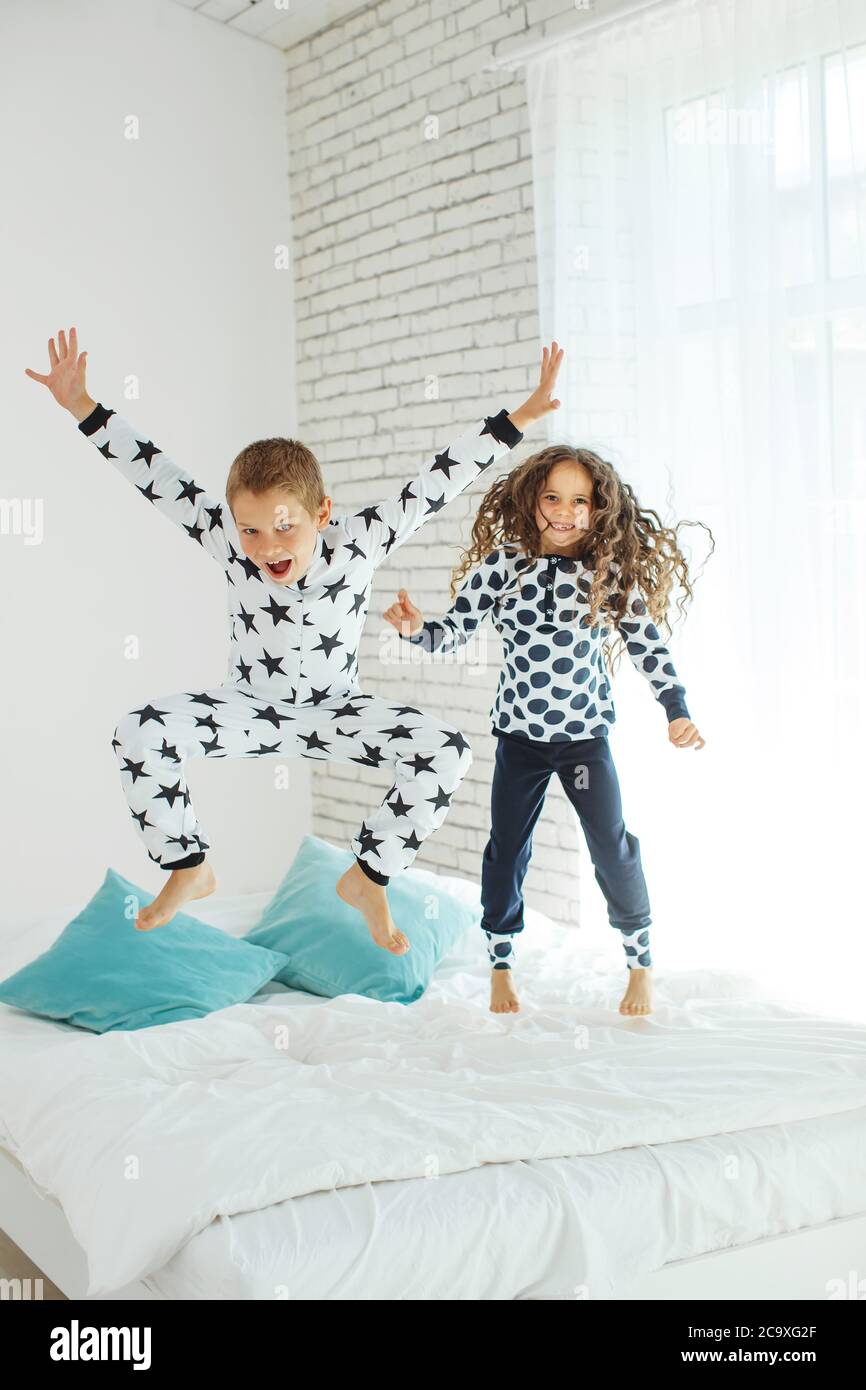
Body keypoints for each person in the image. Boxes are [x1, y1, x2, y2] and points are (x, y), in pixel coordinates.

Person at [25, 327, 564, 951]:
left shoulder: (361, 541)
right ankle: (189, 866)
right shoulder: (226, 539)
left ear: (322, 513)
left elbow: (439, 480)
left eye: (283, 527)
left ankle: (368, 876)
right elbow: (156, 474)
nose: (267, 547)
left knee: (447, 751)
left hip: (338, 710)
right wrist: (83, 409)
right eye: (250, 531)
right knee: (137, 731)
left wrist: (521, 415)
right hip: (249, 707)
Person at [384, 439, 708, 1013]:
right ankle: (501, 966)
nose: (564, 511)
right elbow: (454, 631)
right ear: (533, 499)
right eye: (553, 497)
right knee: (507, 850)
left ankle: (639, 964)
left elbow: (647, 647)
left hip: (584, 742)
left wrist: (676, 709)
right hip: (521, 741)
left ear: (599, 509)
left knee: (611, 846)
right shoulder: (505, 565)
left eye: (579, 501)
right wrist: (416, 630)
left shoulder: (607, 573)